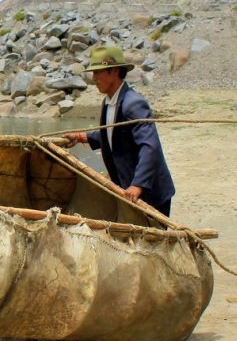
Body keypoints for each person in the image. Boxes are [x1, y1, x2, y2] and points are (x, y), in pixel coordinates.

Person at [63, 45, 175, 216]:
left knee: (151, 239)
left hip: (150, 192)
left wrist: (138, 185)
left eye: (98, 72)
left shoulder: (133, 104)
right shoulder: (109, 102)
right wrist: (81, 137)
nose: (94, 78)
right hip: (128, 188)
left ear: (114, 71)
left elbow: (149, 147)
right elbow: (113, 135)